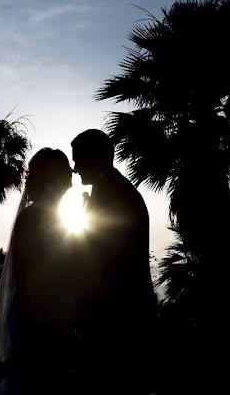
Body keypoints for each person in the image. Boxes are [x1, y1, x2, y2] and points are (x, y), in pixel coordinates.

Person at [71, 129, 156, 394]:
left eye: (78, 160)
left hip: (117, 321)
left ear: (94, 157)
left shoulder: (112, 194)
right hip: (123, 315)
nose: (74, 169)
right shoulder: (114, 190)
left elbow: (102, 259)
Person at [0, 148, 78, 394]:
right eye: (65, 170)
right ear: (53, 177)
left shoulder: (54, 216)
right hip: (40, 327)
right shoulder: (35, 218)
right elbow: (29, 278)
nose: (72, 173)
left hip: (52, 324)